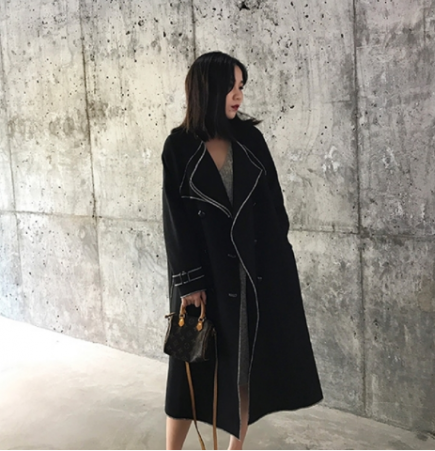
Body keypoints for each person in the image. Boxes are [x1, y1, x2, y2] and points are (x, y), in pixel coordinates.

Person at [161, 51, 323, 450]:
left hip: (253, 275)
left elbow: (274, 206)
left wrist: (277, 263)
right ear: (208, 90)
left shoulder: (250, 140)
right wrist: (189, 283)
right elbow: (174, 220)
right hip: (204, 280)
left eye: (241, 87)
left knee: (245, 373)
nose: (239, 96)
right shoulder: (179, 146)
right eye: (231, 87)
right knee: (188, 377)